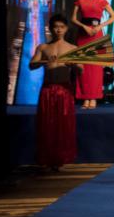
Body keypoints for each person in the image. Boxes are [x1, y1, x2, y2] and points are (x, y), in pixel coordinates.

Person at [29, 14, 81, 170]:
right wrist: (46, 61)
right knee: (46, 125)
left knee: (63, 125)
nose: (58, 30)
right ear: (51, 29)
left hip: (64, 90)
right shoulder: (43, 47)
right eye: (55, 27)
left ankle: (61, 158)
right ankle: (47, 158)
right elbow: (31, 65)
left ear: (66, 29)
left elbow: (81, 70)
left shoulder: (73, 48)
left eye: (61, 27)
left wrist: (73, 65)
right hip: (48, 90)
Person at [71, 0, 114, 109]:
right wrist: (84, 26)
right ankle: (85, 97)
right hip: (83, 35)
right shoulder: (80, 0)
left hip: (97, 34)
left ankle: (94, 97)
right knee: (83, 67)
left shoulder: (102, 1)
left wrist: (100, 26)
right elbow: (73, 18)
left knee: (96, 68)